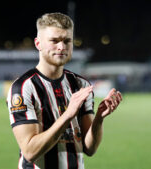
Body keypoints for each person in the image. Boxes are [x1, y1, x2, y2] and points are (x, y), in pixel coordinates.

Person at [7, 12, 122, 169]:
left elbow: (89, 148)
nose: (61, 47)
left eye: (67, 41)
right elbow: (30, 151)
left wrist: (99, 119)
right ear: (38, 43)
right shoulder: (23, 87)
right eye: (54, 41)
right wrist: (68, 114)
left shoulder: (80, 84)